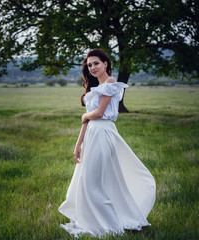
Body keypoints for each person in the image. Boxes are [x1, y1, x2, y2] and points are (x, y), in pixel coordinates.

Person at [59, 49, 156, 237]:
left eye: (96, 63)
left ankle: (109, 227)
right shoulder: (95, 87)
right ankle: (92, 220)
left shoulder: (110, 83)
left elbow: (99, 114)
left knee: (94, 181)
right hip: (91, 134)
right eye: (89, 65)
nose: (93, 67)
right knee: (87, 180)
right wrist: (78, 144)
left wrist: (85, 114)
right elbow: (87, 121)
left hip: (103, 132)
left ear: (106, 64)